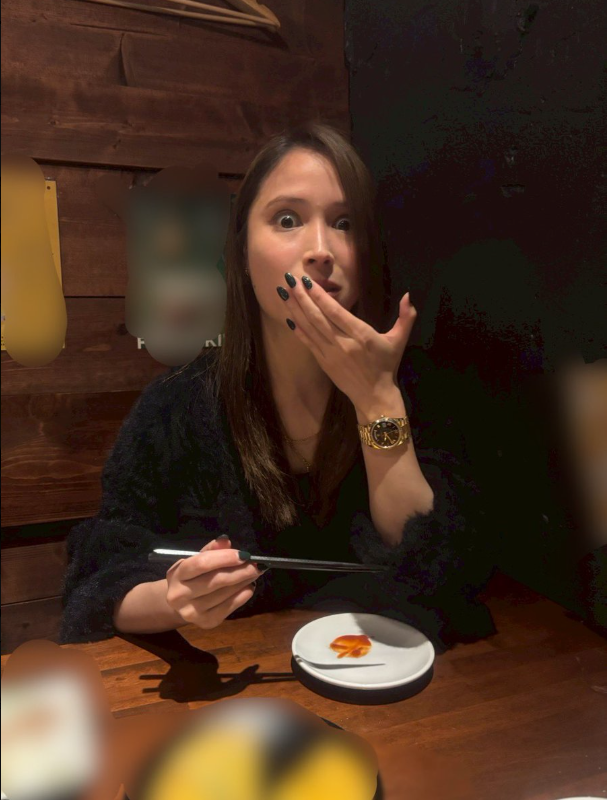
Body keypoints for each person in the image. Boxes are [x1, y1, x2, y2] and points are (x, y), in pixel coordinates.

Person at [61, 121, 495, 651]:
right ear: (241, 252)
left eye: (344, 223)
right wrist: (174, 599)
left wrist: (376, 400)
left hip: (389, 676)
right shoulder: (178, 405)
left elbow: (444, 574)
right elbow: (98, 578)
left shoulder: (417, 388)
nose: (321, 250)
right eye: (287, 219)